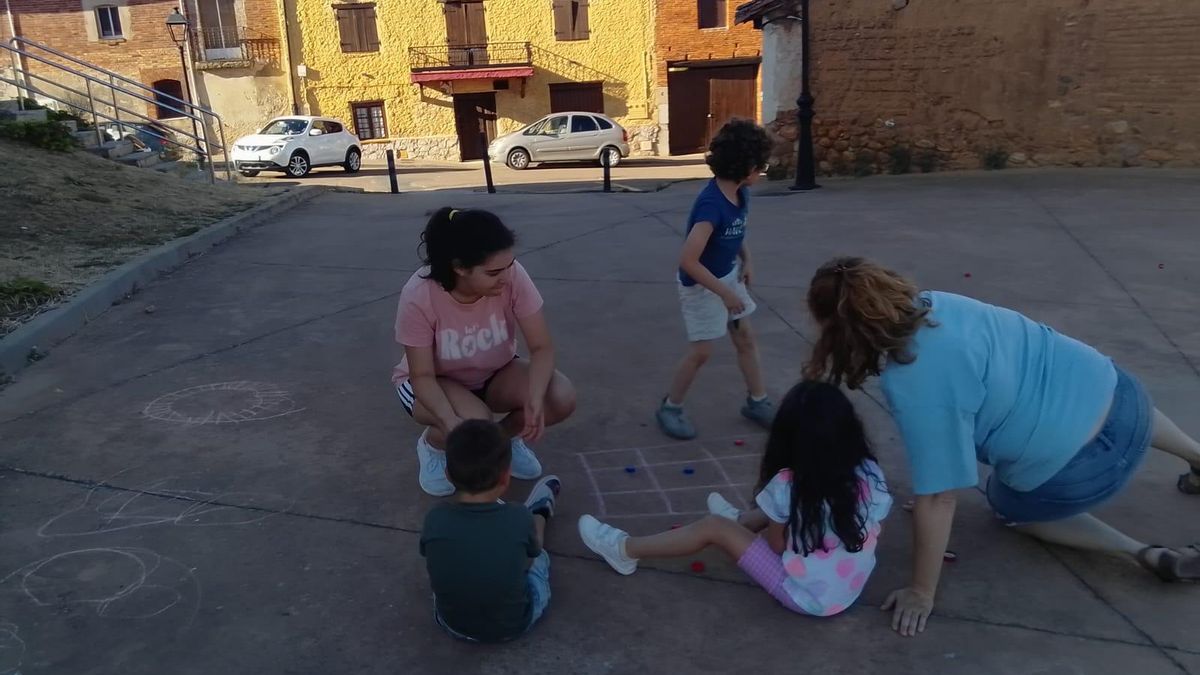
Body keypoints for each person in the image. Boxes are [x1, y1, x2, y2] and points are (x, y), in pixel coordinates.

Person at [802, 256, 1200, 637]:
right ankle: (1196, 455)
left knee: (1005, 502)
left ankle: (1140, 551)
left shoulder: (911, 378)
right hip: (1129, 401)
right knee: (1099, 391)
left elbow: (940, 497)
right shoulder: (940, 302)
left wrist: (921, 591)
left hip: (1083, 471)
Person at [580, 380, 892, 617]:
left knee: (714, 527)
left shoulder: (788, 485)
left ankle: (625, 550)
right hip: (851, 585)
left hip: (807, 597)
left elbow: (777, 546)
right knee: (781, 512)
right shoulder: (867, 470)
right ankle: (738, 524)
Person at [393, 207, 577, 496]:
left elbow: (541, 347)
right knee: (474, 422)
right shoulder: (419, 294)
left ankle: (501, 442)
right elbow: (422, 375)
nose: (506, 277)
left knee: (560, 396)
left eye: (509, 265)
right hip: (431, 383)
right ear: (460, 267)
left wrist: (535, 397)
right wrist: (450, 423)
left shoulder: (511, 274)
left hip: (495, 371)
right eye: (493, 272)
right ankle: (434, 446)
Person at [655, 118, 777, 440]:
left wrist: (747, 258)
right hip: (702, 286)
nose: (761, 172)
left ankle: (757, 401)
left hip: (728, 277)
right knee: (702, 352)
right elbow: (688, 260)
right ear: (746, 166)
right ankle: (670, 406)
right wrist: (724, 293)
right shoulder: (711, 206)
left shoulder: (740, 193)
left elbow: (735, 234)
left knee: (744, 338)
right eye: (760, 166)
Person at [420, 420, 562, 642]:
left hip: (451, 622)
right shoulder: (517, 517)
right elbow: (529, 558)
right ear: (505, 478)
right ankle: (540, 513)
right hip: (515, 624)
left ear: (447, 474)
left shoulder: (435, 518)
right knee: (539, 556)